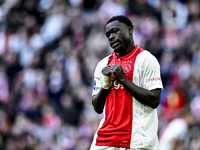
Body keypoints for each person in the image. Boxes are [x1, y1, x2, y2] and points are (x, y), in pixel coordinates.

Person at [90, 15, 163, 150]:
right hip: (105, 140)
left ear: (129, 30)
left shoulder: (147, 60)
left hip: (137, 140)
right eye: (108, 34)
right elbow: (97, 107)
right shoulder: (103, 65)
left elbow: (154, 100)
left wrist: (123, 80)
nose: (111, 36)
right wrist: (105, 87)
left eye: (115, 31)